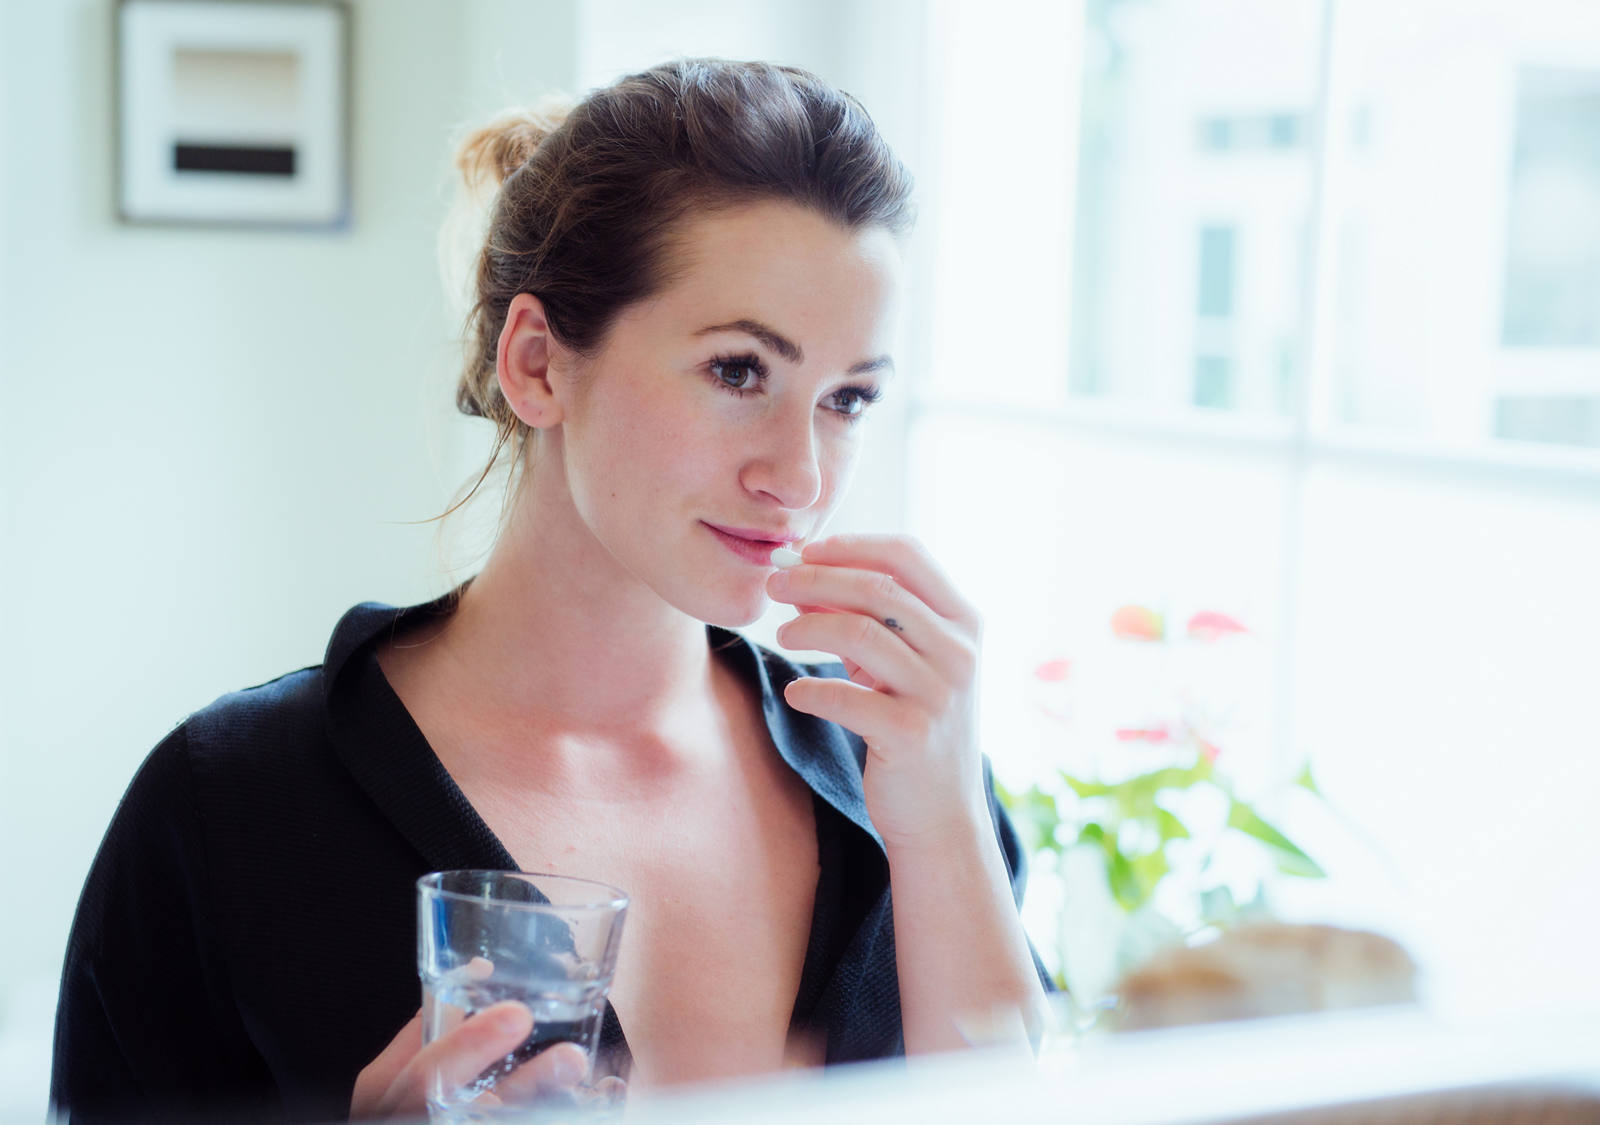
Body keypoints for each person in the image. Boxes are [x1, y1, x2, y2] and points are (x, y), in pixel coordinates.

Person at [50, 58, 1051, 1123]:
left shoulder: (900, 778)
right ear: (534, 363)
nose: (800, 478)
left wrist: (943, 825)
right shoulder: (231, 804)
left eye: (848, 398)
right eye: (738, 371)